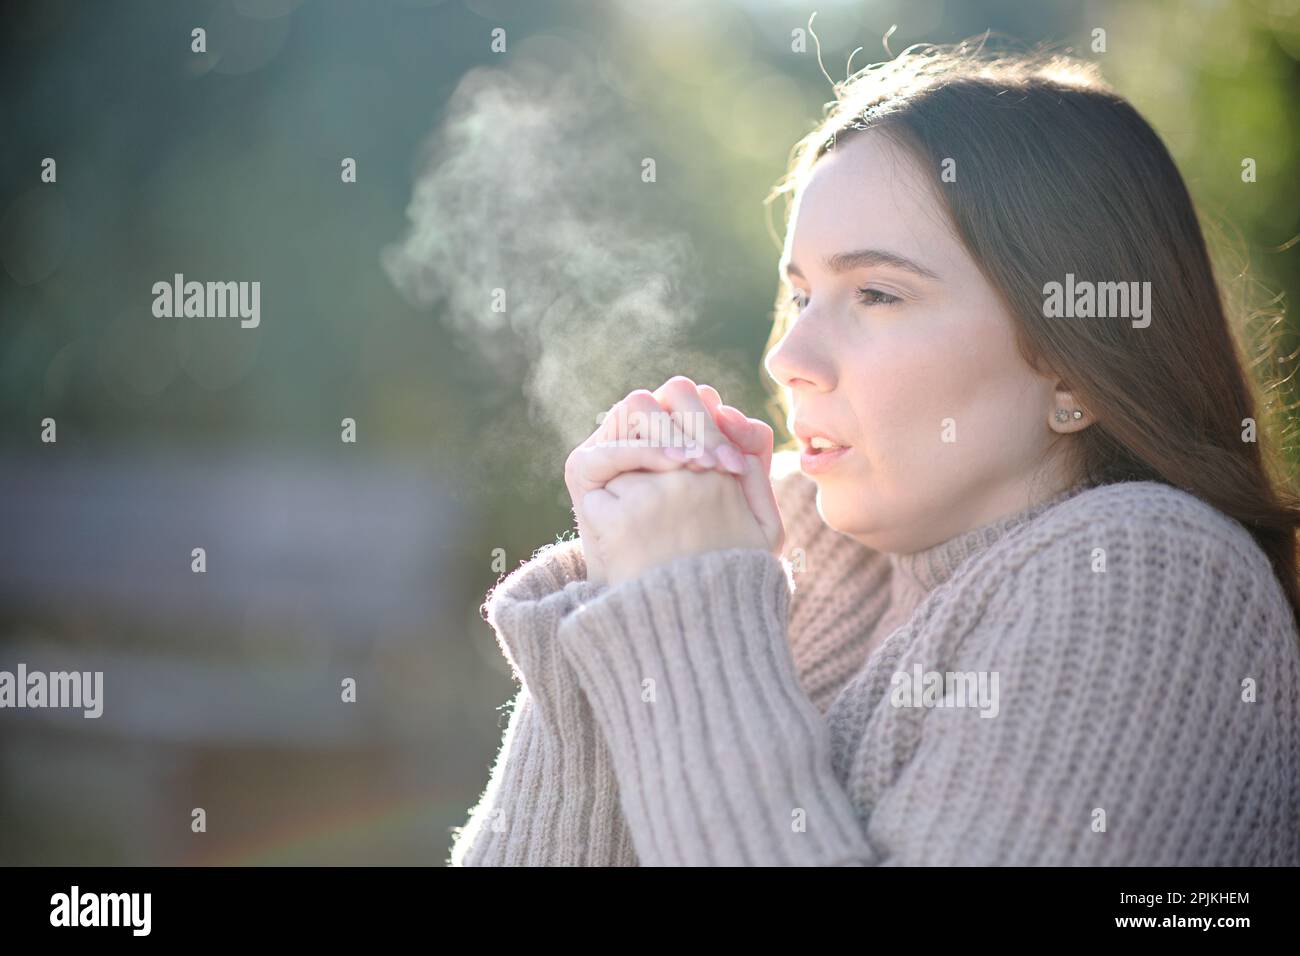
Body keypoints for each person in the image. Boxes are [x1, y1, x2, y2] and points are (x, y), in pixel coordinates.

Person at [449, 42, 1300, 866]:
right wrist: (614, 616)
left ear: (1075, 366)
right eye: (801, 295)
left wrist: (687, 609)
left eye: (879, 294)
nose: (788, 358)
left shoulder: (1147, 576)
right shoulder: (795, 560)